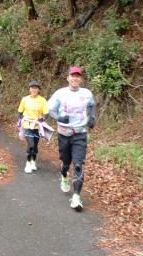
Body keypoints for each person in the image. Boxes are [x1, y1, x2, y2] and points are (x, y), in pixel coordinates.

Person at [48, 66, 96, 210]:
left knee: (78, 164)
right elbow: (50, 110)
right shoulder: (60, 94)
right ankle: (64, 176)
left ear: (80, 79)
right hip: (64, 134)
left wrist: (93, 117)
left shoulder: (86, 93)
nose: (75, 78)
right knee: (65, 163)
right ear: (68, 77)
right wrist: (59, 117)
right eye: (72, 76)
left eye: (78, 76)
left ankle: (76, 197)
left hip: (80, 134)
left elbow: (92, 105)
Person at [17, 80, 49, 173]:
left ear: (39, 90)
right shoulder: (25, 99)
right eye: (32, 88)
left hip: (37, 126)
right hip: (27, 125)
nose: (34, 90)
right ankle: (27, 163)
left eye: (36, 88)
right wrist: (20, 120)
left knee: (35, 146)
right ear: (29, 89)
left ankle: (33, 161)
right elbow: (20, 111)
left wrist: (42, 119)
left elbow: (46, 113)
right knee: (30, 145)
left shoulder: (42, 100)